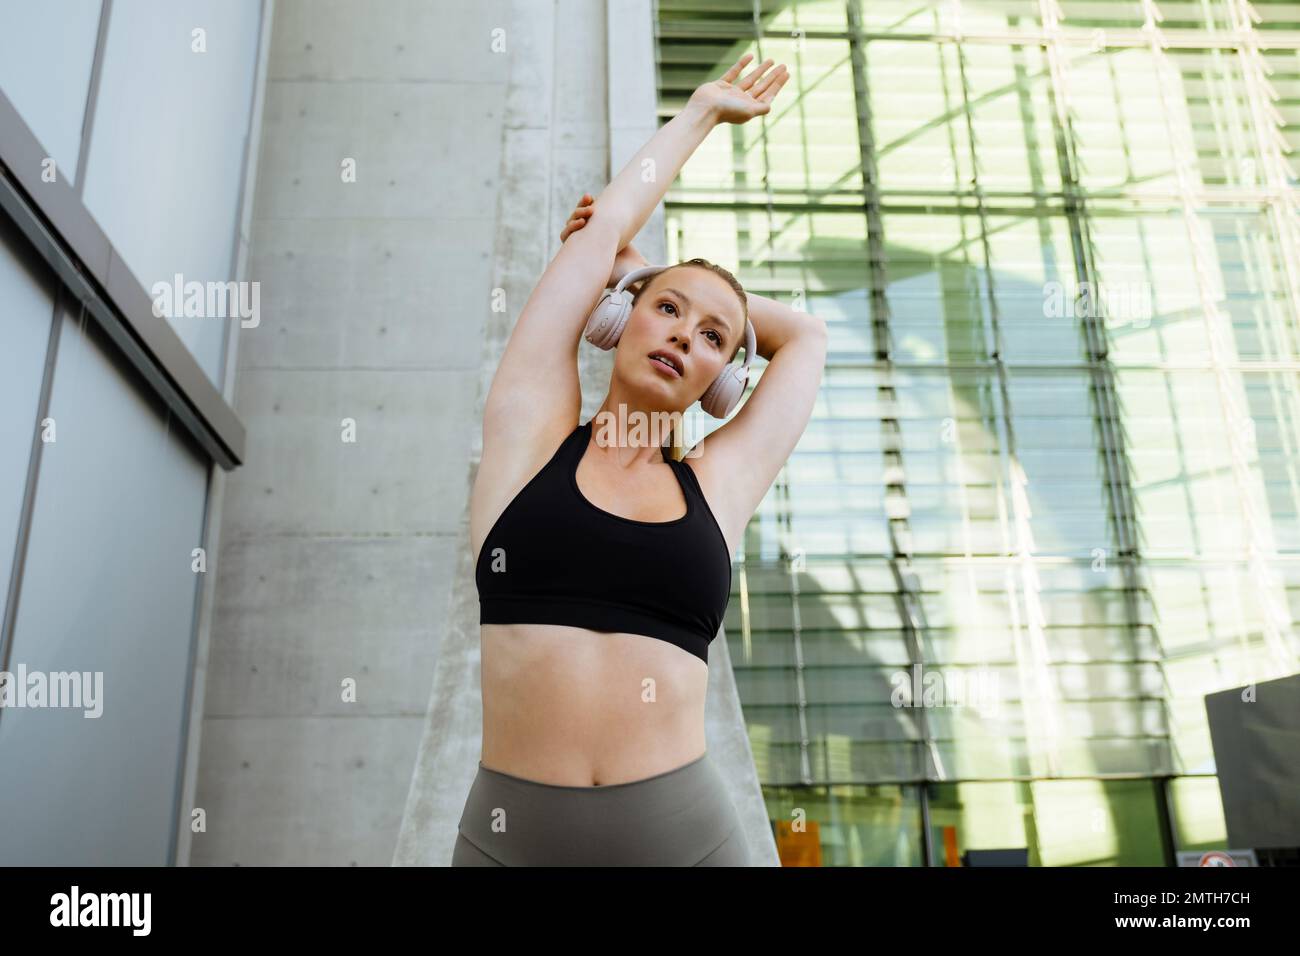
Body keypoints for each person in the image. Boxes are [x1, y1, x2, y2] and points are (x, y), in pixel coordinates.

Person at [452, 54, 825, 866]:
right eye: (666, 310)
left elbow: (807, 337)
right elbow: (601, 234)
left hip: (687, 838)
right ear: (617, 318)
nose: (685, 334)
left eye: (713, 338)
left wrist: (658, 274)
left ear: (719, 381)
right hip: (509, 838)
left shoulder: (716, 487)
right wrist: (699, 115)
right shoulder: (530, 435)